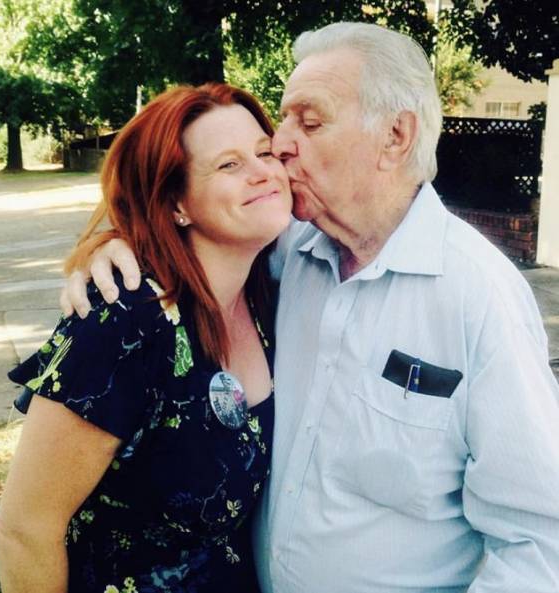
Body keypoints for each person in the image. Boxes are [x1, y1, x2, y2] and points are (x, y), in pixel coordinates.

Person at [61, 22, 559, 593]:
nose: (280, 142)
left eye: (310, 121)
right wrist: (116, 246)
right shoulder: (285, 251)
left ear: (395, 136)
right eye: (284, 118)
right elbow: (185, 210)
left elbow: (540, 539)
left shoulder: (480, 296)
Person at [0, 82, 293, 593]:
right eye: (229, 164)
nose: (263, 171)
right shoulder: (125, 321)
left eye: (264, 152)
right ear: (177, 204)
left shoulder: (270, 291)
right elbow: (24, 530)